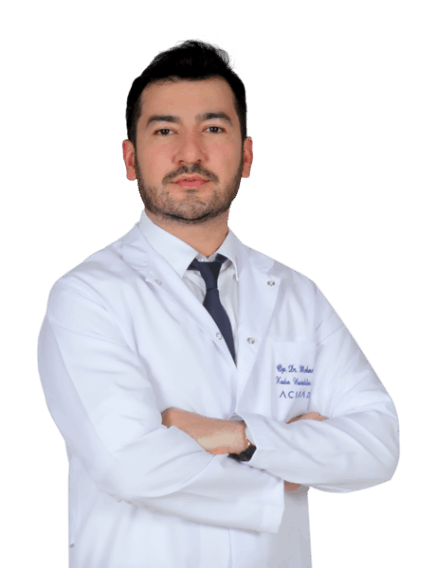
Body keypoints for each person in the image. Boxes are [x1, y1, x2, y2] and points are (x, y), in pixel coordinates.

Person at [36, 38, 401, 568]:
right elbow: (128, 464)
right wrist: (287, 468)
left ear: (247, 156)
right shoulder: (86, 296)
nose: (190, 154)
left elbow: (379, 446)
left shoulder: (298, 294)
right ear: (129, 159)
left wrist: (238, 437)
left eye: (213, 128)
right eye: (165, 131)